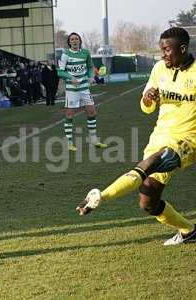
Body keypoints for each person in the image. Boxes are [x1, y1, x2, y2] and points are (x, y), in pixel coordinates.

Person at [77, 27, 196, 246]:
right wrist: (148, 99)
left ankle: (101, 196)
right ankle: (188, 231)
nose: (163, 55)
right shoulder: (160, 68)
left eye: (167, 50)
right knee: (148, 202)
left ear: (182, 48)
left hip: (188, 140)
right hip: (160, 136)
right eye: (161, 50)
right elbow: (146, 108)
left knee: (151, 163)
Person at [58, 32, 107, 151]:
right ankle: (69, 142)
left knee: (92, 112)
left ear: (80, 41)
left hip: (84, 88)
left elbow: (90, 67)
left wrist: (91, 77)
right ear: (69, 42)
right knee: (69, 115)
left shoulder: (85, 53)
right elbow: (60, 72)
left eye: (76, 39)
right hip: (71, 90)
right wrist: (71, 78)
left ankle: (93, 139)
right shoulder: (65, 55)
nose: (74, 41)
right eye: (72, 39)